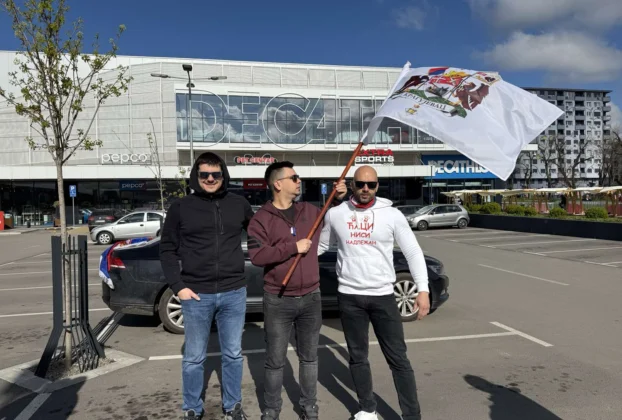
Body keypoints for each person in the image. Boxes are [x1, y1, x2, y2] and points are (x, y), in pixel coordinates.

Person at [318, 165, 430, 420]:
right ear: (352, 185)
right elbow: (321, 246)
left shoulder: (392, 214)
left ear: (378, 186)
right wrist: (293, 254)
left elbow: (413, 251)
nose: (366, 189)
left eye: (371, 184)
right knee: (358, 357)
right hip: (349, 296)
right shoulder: (336, 214)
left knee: (398, 359)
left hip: (383, 296)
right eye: (360, 184)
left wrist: (422, 289)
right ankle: (367, 409)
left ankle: (412, 415)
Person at [247, 161, 347, 420]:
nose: (299, 181)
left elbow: (333, 215)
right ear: (277, 184)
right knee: (275, 361)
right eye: (294, 177)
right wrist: (293, 247)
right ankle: (271, 409)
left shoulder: (309, 211)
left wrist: (339, 197)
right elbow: (257, 255)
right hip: (278, 299)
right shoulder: (261, 219)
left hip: (311, 297)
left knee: (309, 358)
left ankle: (309, 406)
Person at [160, 152, 254, 420]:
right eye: (204, 174)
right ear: (196, 176)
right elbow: (167, 249)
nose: (210, 179)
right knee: (194, 357)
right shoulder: (181, 207)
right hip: (196, 294)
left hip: (234, 292)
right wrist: (178, 286)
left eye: (216, 174)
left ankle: (232, 406)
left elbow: (260, 233)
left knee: (233, 354)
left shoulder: (239, 204)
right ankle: (192, 408)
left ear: (224, 175)